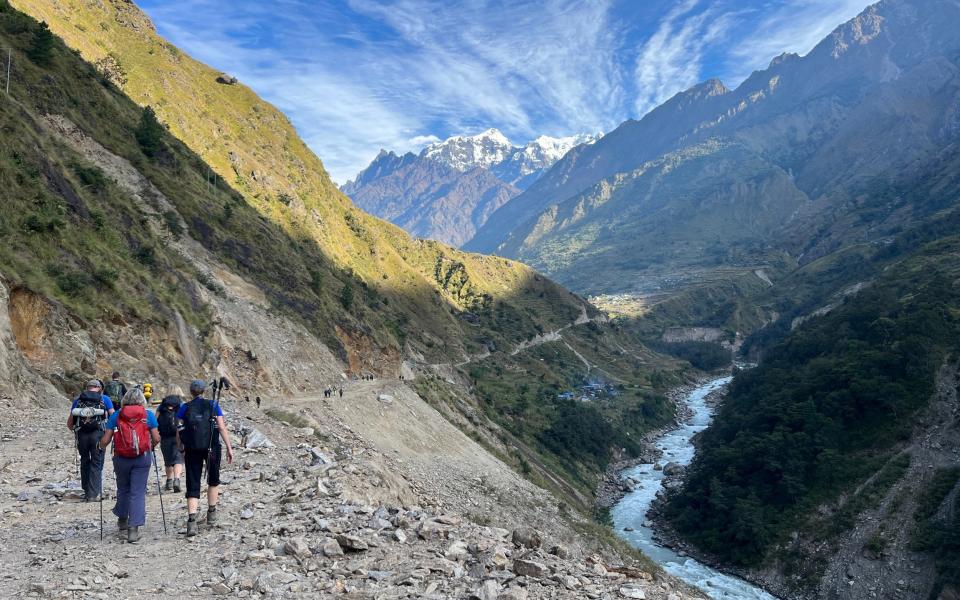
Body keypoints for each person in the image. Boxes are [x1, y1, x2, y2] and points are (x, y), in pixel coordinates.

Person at [98, 387, 159, 543]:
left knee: (123, 488)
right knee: (137, 492)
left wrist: (100, 447)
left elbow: (106, 440)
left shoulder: (117, 416)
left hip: (121, 458)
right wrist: (151, 447)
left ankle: (123, 520)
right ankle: (133, 530)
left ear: (125, 399)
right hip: (142, 458)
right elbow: (157, 438)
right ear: (142, 400)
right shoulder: (148, 415)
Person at [176, 380, 234, 536]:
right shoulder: (213, 405)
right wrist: (229, 447)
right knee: (213, 480)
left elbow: (179, 428)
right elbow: (221, 427)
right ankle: (212, 513)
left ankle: (192, 521)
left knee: (193, 482)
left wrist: (181, 447)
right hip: (212, 447)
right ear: (203, 391)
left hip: (192, 449)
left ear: (191, 392)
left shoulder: (184, 408)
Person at [66, 379, 115, 501]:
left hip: (82, 435)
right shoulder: (105, 399)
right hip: (98, 434)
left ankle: (87, 491)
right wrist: (110, 432)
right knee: (97, 462)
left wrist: (75, 429)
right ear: (99, 388)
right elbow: (113, 415)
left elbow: (70, 423)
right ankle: (94, 493)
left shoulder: (78, 400)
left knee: (85, 460)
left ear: (87, 387)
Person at [155, 385, 185, 492]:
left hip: (164, 436)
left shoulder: (161, 406)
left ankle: (169, 481)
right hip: (178, 435)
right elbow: (185, 419)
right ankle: (177, 479)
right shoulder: (181, 405)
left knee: (168, 460)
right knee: (178, 459)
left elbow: (155, 420)